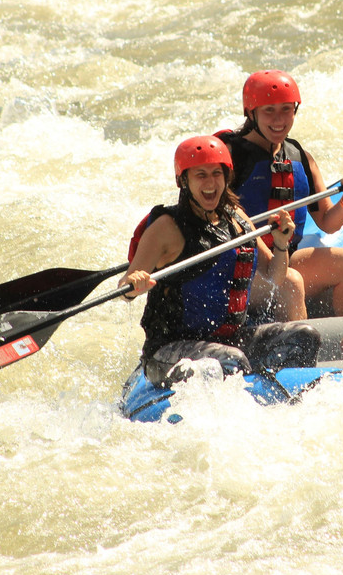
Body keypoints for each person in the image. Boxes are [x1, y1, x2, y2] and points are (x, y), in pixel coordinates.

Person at [121, 135, 319, 387]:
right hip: (168, 351)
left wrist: (281, 243)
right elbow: (124, 288)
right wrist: (133, 284)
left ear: (227, 178)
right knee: (231, 361)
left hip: (228, 339)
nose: (210, 183)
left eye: (217, 173)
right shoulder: (166, 228)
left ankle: (282, 397)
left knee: (304, 336)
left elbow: (275, 275)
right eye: (200, 175)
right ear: (183, 180)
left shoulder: (237, 219)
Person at [217, 69, 343, 318]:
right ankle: (297, 354)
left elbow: (328, 222)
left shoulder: (301, 157)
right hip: (239, 269)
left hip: (284, 258)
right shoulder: (228, 157)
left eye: (286, 109)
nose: (279, 119)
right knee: (290, 281)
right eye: (269, 110)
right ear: (251, 113)